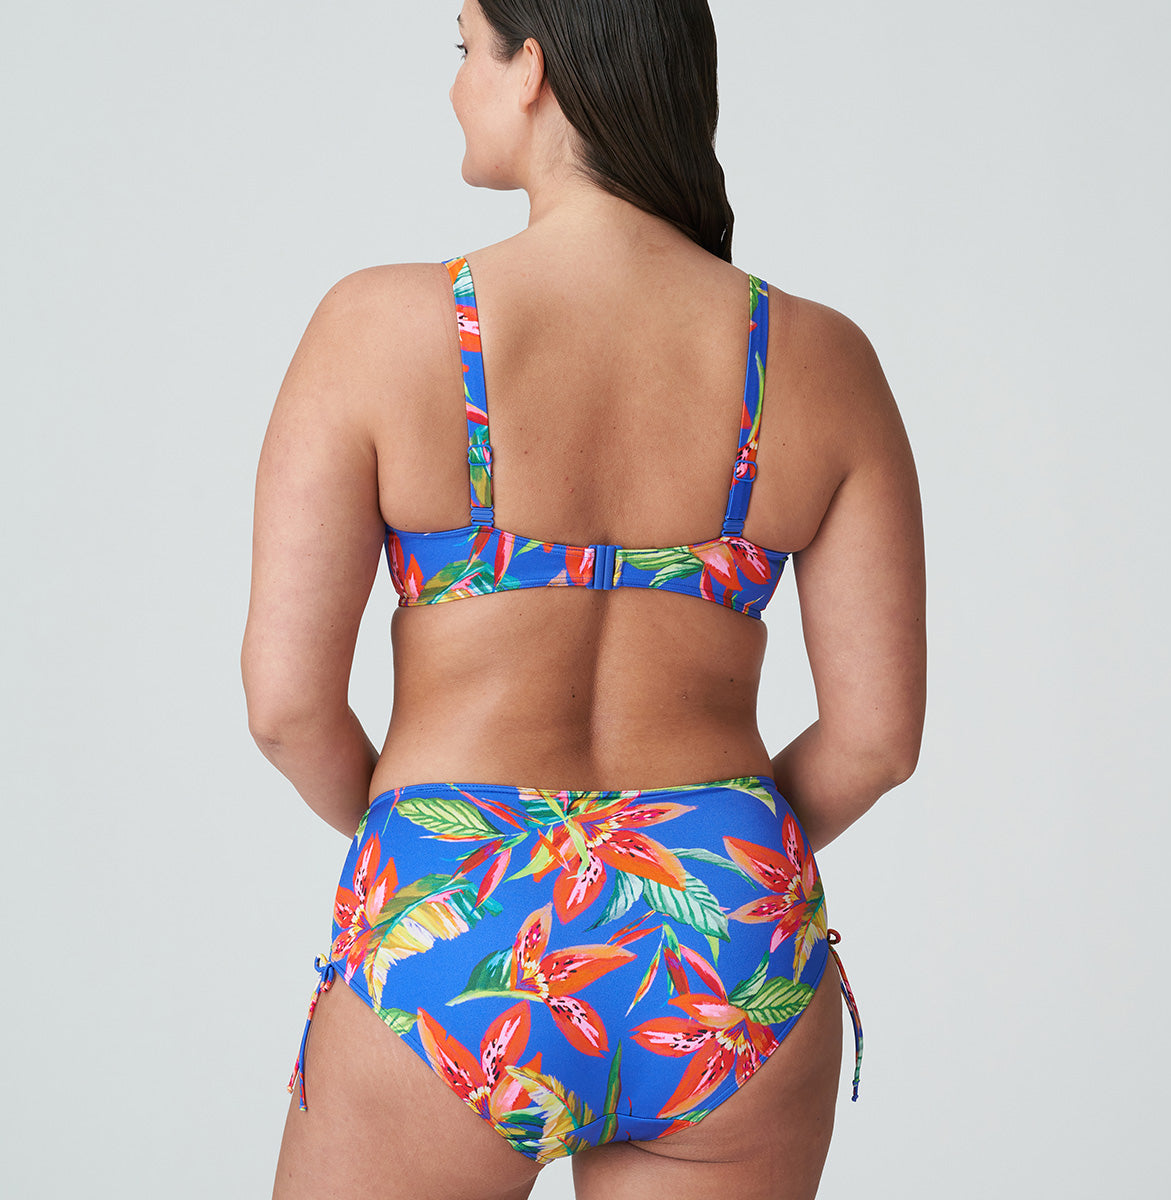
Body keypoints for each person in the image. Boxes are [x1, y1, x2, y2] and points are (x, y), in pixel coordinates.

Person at [242, 1, 925, 1196]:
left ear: (533, 69)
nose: (455, 82)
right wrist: (714, 859)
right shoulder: (821, 360)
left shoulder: (377, 328)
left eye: (466, 46)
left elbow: (287, 707)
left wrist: (437, 851)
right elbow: (878, 741)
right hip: (722, 932)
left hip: (456, 909)